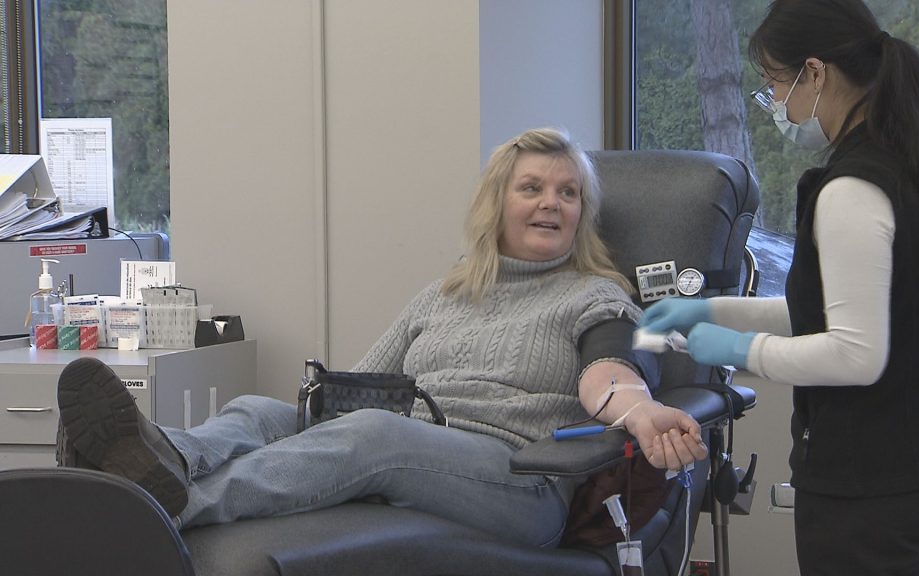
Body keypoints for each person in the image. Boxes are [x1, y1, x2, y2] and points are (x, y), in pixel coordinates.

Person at [56, 127, 708, 546]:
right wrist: (298, 423)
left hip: (519, 482)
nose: (552, 203)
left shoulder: (595, 293)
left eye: (569, 193)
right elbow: (353, 392)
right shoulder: (446, 291)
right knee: (264, 409)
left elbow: (608, 373)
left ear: (583, 214)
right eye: (532, 187)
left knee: (376, 437)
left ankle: (170, 507)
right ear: (496, 205)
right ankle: (157, 458)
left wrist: (642, 409)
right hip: (421, 449)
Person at [641, 1, 919, 574]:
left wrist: (735, 351)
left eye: (773, 83)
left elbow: (854, 353)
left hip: (876, 495)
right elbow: (838, 312)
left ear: (814, 72)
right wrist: (711, 310)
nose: (773, 104)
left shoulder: (850, 190)